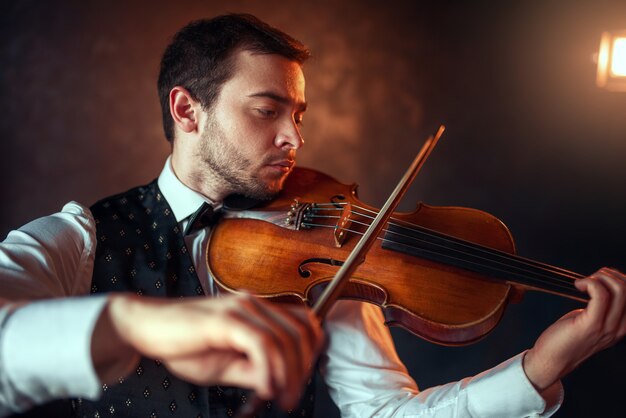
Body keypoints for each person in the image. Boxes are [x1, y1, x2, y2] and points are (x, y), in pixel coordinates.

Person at [1, 12, 626, 418]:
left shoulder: (325, 254)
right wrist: (136, 325)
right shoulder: (80, 241)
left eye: (297, 115)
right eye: (266, 110)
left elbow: (386, 414)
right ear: (187, 111)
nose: (293, 139)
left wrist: (544, 365)